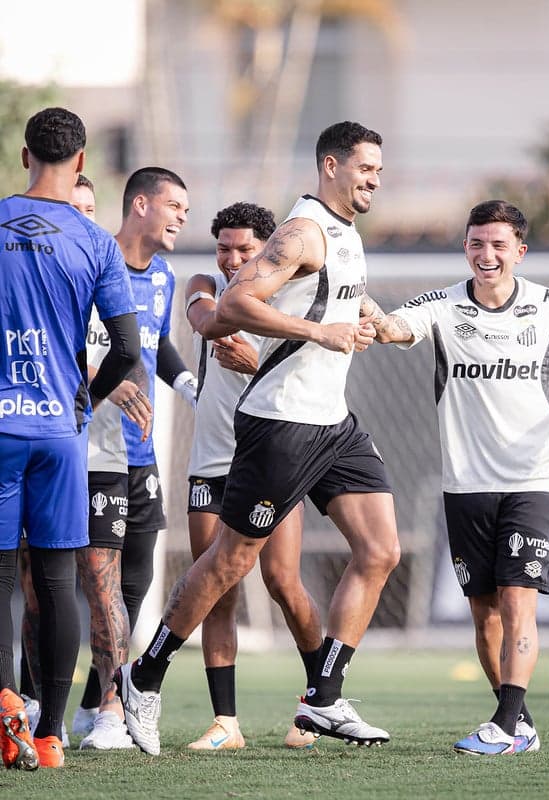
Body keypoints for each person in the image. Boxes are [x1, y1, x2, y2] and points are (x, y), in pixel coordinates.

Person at [115, 120, 401, 756]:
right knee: (231, 562)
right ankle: (145, 674)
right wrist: (319, 332)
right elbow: (233, 306)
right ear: (331, 166)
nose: (375, 180)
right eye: (365, 168)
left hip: (333, 424)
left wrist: (377, 322)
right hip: (282, 423)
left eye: (379, 170)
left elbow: (338, 301)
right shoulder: (302, 232)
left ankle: (323, 696)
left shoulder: (347, 233)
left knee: (380, 550)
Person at [368, 199, 549, 755]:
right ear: (465, 248)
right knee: (485, 617)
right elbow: (391, 329)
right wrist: (364, 308)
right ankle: (519, 722)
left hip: (530, 480)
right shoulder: (441, 306)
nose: (487, 254)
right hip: (465, 485)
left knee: (518, 598)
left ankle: (503, 726)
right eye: (477, 243)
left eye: (499, 245)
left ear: (519, 252)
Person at [0, 107, 139, 769]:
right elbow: (128, 349)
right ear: (81, 161)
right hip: (59, 430)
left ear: (25, 155)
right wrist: (87, 397)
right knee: (57, 582)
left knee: (2, 579)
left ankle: (8, 706)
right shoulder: (96, 242)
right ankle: (51, 735)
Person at [185, 202, 322, 750]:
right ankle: (226, 723)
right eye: (224, 247)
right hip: (210, 464)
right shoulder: (205, 286)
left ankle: (321, 702)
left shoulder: (290, 302)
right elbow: (202, 315)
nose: (232, 257)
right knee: (215, 590)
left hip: (270, 463)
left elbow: (304, 380)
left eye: (245, 249)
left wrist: (255, 364)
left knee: (283, 583)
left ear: (269, 250)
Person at [71, 167, 197, 751]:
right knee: (87, 583)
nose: (181, 218)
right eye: (174, 206)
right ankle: (106, 708)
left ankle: (90, 702)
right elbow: (63, 345)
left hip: (140, 450)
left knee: (136, 582)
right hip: (93, 448)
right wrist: (104, 380)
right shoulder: (91, 264)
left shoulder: (165, 275)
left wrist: (190, 385)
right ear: (140, 204)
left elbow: (156, 343)